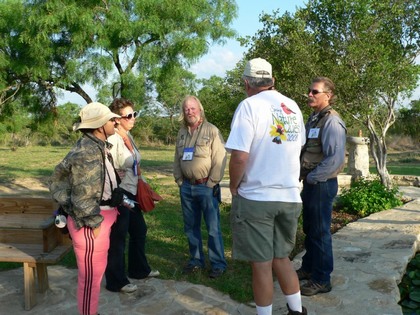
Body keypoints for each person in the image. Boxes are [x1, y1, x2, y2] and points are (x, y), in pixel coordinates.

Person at [225, 58, 307, 315]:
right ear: (273, 81)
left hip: (258, 197)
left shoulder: (248, 106)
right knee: (282, 258)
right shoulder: (293, 107)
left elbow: (239, 155)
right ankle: (296, 310)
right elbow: (298, 145)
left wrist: (234, 185)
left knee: (261, 264)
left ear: (247, 82)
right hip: (290, 196)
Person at [49, 102, 121, 315]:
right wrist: (93, 222)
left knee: (94, 278)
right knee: (90, 279)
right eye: (111, 119)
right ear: (100, 125)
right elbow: (82, 193)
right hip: (91, 223)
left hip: (100, 218)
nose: (115, 122)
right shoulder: (88, 152)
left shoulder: (96, 146)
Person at [297, 77, 347, 296]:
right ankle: (309, 268)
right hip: (311, 182)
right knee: (310, 229)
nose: (309, 94)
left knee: (320, 232)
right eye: (309, 90)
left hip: (321, 183)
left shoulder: (332, 122)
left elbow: (335, 160)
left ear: (328, 95)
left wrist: (312, 177)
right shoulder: (315, 118)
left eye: (314, 92)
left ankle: (322, 279)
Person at [105, 98, 159, 294]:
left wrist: (142, 181)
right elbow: (107, 164)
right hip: (120, 193)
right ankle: (116, 281)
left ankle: (139, 270)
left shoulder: (128, 136)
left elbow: (134, 163)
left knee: (139, 230)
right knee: (118, 236)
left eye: (134, 114)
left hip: (133, 190)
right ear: (117, 119)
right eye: (129, 115)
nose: (133, 118)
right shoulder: (112, 139)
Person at [173, 95, 227, 278]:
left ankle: (218, 264)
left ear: (200, 109)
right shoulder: (181, 132)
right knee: (191, 227)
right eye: (186, 109)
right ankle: (196, 260)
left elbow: (220, 157)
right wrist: (179, 180)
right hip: (186, 187)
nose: (189, 112)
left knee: (213, 228)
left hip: (206, 186)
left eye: (193, 108)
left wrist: (212, 182)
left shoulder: (211, 130)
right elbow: (176, 158)